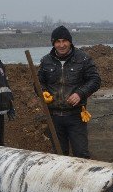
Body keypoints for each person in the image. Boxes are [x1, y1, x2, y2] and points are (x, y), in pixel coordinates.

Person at [38, 25, 100, 158]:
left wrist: (80, 93)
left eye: (64, 41)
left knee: (81, 154)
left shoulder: (83, 59)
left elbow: (95, 80)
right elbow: (38, 82)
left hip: (76, 115)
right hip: (54, 117)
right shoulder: (46, 61)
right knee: (59, 156)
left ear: (70, 41)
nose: (61, 45)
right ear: (53, 43)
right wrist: (43, 92)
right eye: (58, 42)